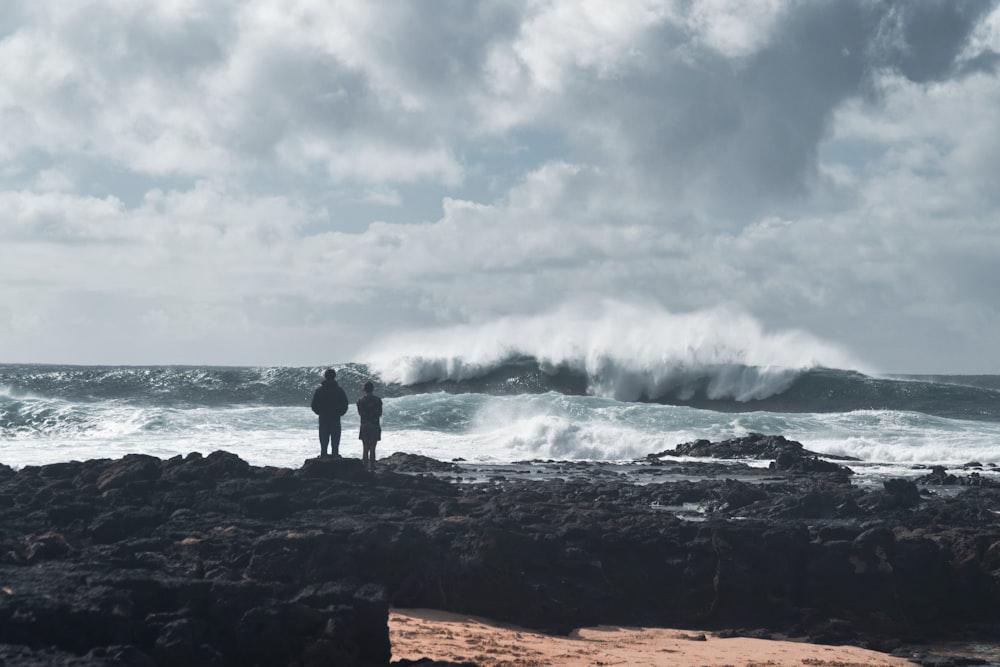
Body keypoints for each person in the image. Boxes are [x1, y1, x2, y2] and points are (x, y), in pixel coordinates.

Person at [310, 368, 349, 457]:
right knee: (335, 439)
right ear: (334, 377)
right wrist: (340, 413)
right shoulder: (339, 390)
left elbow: (314, 405)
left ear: (325, 376)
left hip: (323, 417)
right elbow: (345, 403)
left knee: (323, 438)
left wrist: (320, 412)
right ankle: (335, 455)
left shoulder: (320, 390)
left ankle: (324, 455)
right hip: (335, 417)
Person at [356, 380, 383, 472]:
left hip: (364, 425)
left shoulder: (360, 401)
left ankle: (365, 468)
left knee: (365, 447)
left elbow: (361, 414)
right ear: (373, 389)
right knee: (372, 447)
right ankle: (372, 468)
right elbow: (379, 413)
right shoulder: (377, 400)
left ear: (364, 389)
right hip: (374, 425)